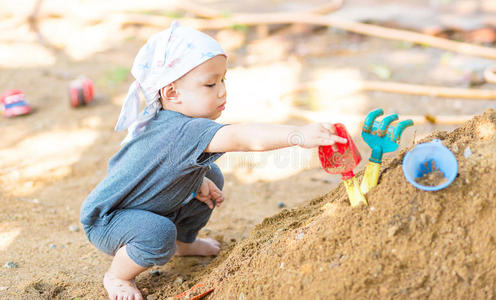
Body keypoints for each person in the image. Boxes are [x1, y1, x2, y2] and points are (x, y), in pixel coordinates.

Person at [80, 22, 346, 300]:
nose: (221, 91)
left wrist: (194, 181)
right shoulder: (184, 130)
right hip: (109, 221)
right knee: (158, 234)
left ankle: (184, 243)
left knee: (210, 175)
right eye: (210, 84)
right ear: (172, 93)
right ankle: (118, 276)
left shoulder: (173, 121)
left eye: (223, 80)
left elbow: (161, 171)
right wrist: (298, 135)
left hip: (145, 207)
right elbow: (241, 137)